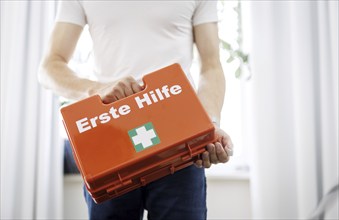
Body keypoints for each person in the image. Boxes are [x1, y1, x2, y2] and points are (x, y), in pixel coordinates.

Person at [39, 1, 233, 219]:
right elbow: (49, 67)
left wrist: (210, 125)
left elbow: (211, 65)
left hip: (179, 139)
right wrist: (97, 90)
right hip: (111, 139)